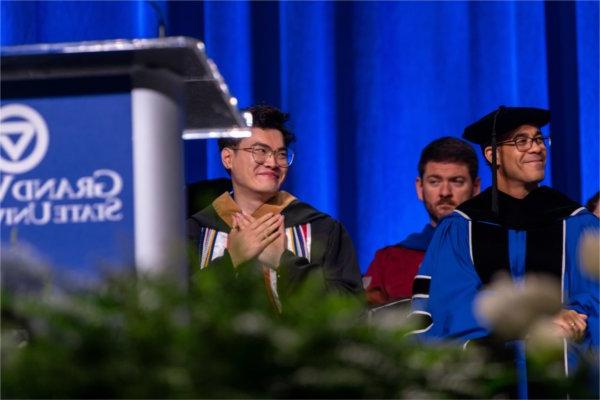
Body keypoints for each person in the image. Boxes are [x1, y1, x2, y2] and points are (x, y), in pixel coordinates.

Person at [411, 106, 599, 397]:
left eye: (539, 139)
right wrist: (532, 324)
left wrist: (575, 314)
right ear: (492, 155)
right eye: (521, 141)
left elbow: (594, 293)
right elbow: (451, 307)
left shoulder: (575, 221)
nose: (536, 148)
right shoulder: (461, 228)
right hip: (491, 382)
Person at [187, 105, 362, 311]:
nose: (272, 162)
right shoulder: (195, 231)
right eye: (260, 151)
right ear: (228, 158)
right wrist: (232, 259)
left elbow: (352, 312)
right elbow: (170, 310)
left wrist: (283, 261)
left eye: (280, 154)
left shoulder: (322, 229)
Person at [363, 137, 480, 305]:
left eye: (456, 181)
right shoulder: (388, 261)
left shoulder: (497, 251)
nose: (445, 192)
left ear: (476, 188)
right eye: (434, 181)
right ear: (420, 188)